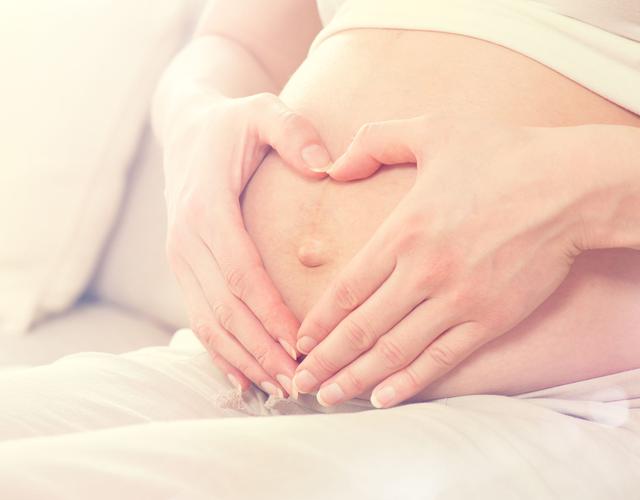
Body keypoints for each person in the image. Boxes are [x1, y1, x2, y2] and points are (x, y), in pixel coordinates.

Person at [1, 1, 639, 497]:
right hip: (249, 367)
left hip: (563, 404)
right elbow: (235, 45)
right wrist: (193, 124)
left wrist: (571, 189)